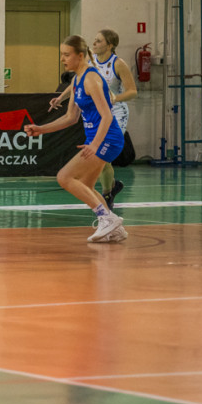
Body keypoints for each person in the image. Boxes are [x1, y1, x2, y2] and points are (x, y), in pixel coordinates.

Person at [26, 35, 128, 243]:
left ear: (80, 55)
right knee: (85, 186)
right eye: (61, 55)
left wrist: (95, 144)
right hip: (97, 138)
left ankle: (106, 218)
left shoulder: (91, 78)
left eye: (66, 55)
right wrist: (41, 129)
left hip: (108, 138)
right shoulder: (76, 80)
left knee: (64, 177)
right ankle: (114, 225)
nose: (63, 59)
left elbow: (107, 115)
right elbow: (70, 117)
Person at [50, 29, 138, 209]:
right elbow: (77, 82)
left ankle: (107, 194)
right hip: (99, 113)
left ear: (110, 45)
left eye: (99, 41)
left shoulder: (118, 64)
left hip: (116, 113)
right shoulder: (91, 63)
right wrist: (61, 97)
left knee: (102, 155)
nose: (95, 43)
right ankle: (110, 190)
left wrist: (115, 97)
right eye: (94, 41)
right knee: (99, 159)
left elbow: (132, 91)